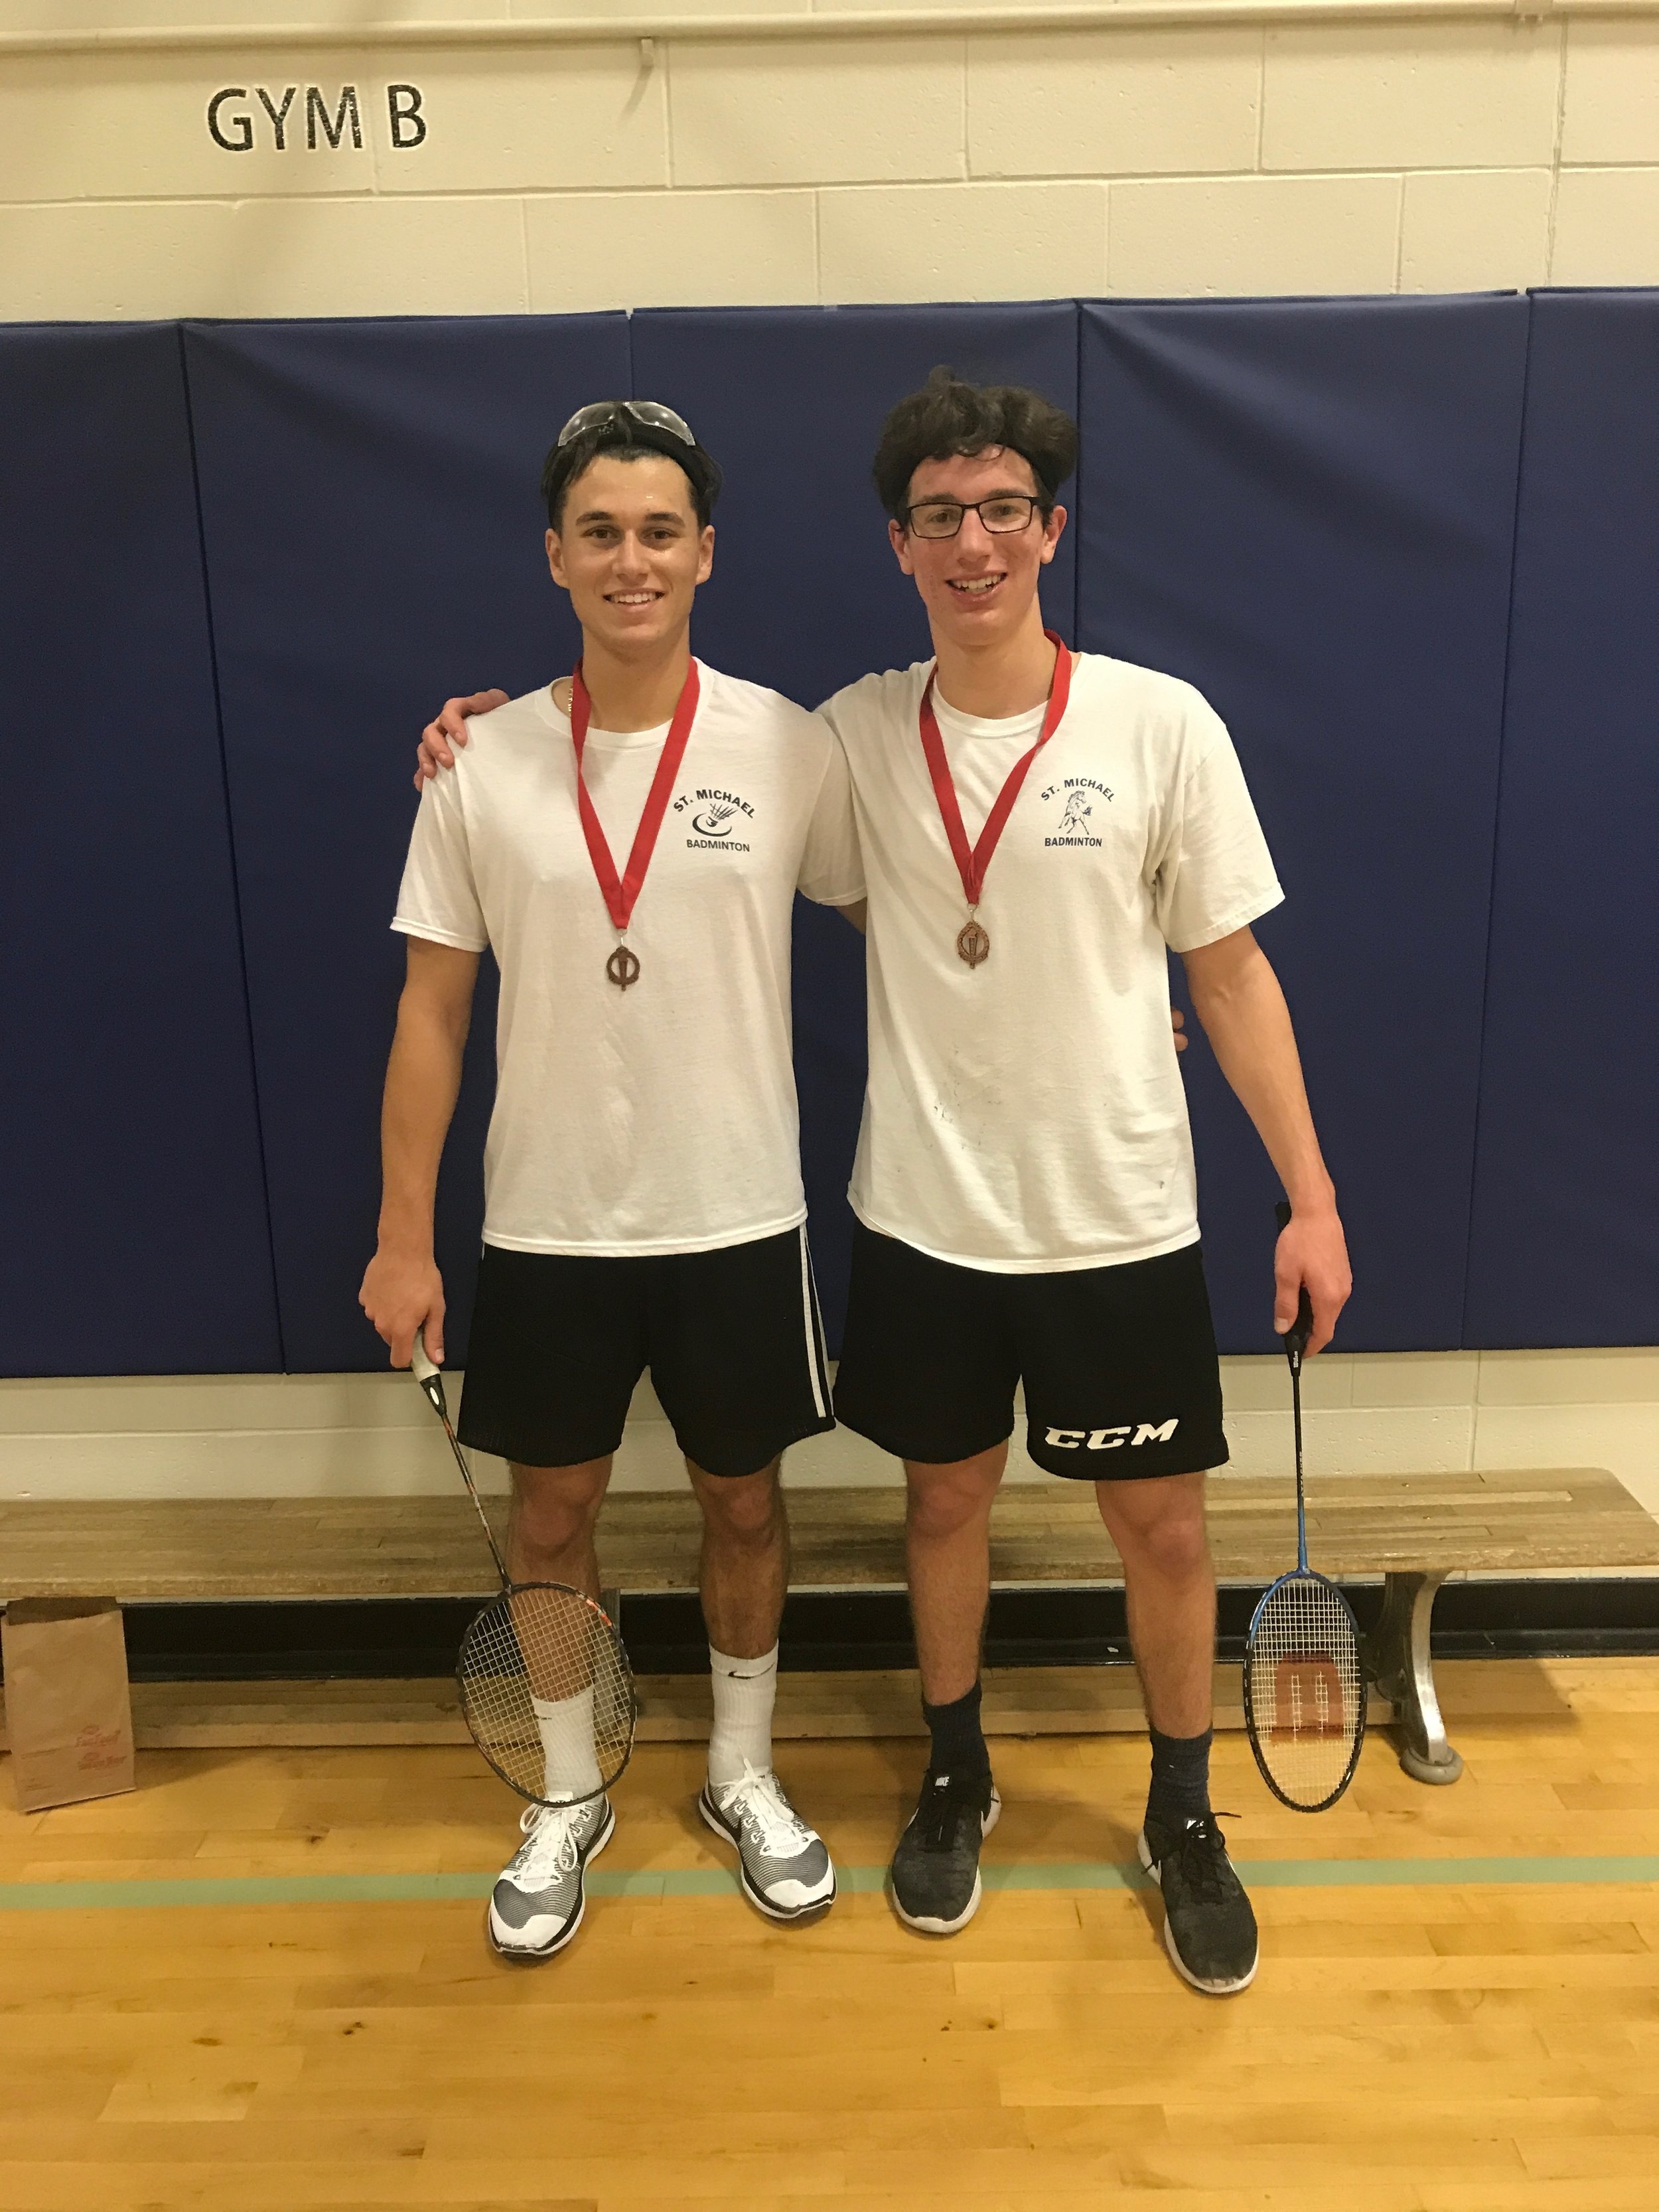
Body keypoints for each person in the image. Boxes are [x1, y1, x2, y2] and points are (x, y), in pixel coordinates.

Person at [415, 370, 1351, 1999]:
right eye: (938, 515)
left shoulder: (1153, 723)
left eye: (1002, 509)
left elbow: (1234, 972)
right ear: (898, 543)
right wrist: (469, 738)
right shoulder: (844, 734)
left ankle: (1183, 1811)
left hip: (1117, 1208)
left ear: (1048, 528)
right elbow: (621, 782)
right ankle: (950, 1772)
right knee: (937, 1503)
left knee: (1165, 1527)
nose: (972, 540)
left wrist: (1313, 1193)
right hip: (918, 1208)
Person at [362, 399, 861, 1962]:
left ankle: (737, 1769)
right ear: (555, 556)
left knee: (743, 1501)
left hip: (736, 1213)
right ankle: (568, 1787)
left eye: (659, 530)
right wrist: (401, 1237)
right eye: (600, 530)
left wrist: (1114, 988)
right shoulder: (482, 763)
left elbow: (929, 899)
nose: (630, 558)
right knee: (553, 1513)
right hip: (550, 1220)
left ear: (705, 552)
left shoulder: (791, 743)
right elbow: (431, 1009)